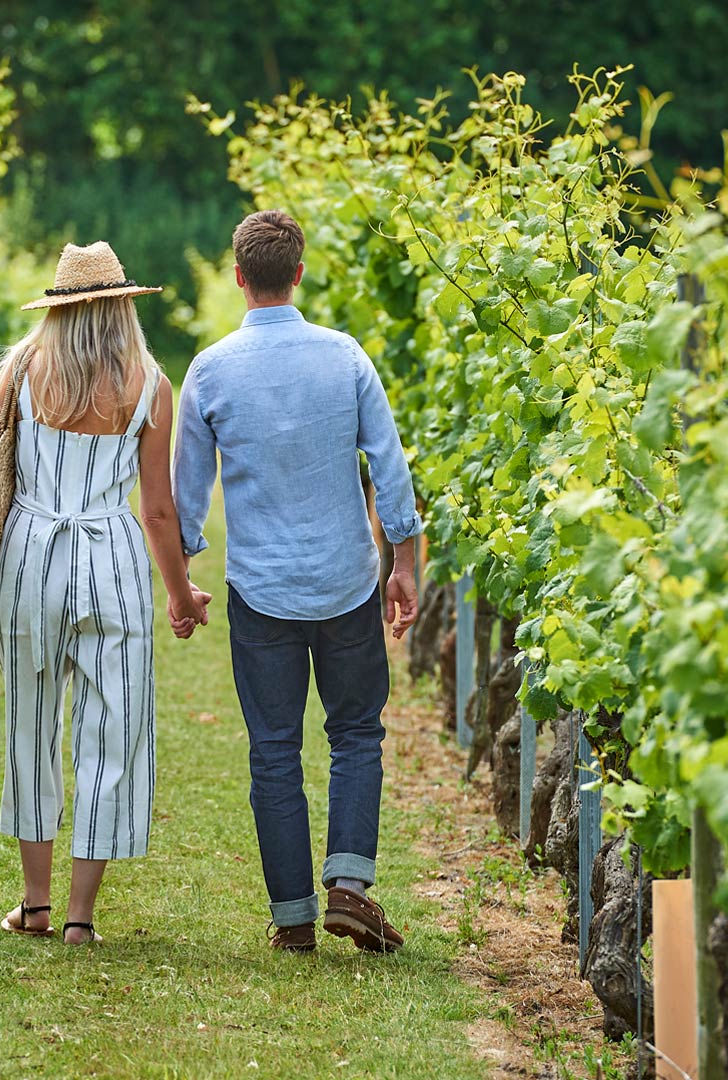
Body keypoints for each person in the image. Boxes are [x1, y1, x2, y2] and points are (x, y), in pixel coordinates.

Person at [172, 210, 420, 954]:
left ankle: (293, 918)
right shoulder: (345, 357)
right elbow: (390, 465)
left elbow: (187, 493)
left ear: (239, 276)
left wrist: (182, 578)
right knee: (355, 733)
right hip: (346, 579)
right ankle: (348, 885)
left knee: (273, 748)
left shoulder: (211, 370)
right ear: (300, 274)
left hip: (260, 590)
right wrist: (402, 561)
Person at [0, 241, 212, 946]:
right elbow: (158, 510)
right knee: (113, 730)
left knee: (31, 726)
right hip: (110, 559)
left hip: (29, 554)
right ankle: (81, 916)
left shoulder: (22, 367)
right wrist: (179, 594)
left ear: (59, 309)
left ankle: (35, 903)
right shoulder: (148, 384)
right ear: (121, 307)